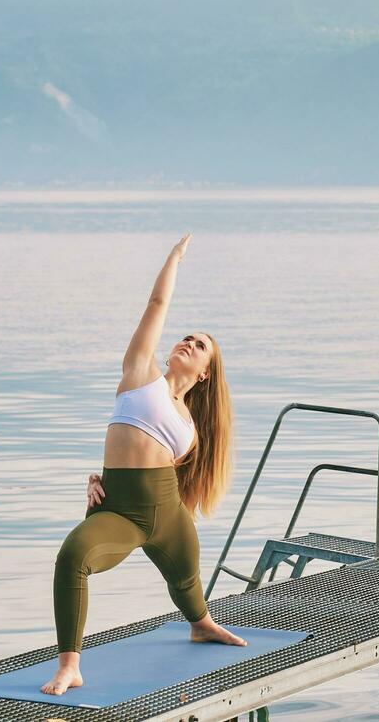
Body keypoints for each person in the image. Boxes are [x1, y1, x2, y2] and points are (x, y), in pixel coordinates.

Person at [42, 233, 246, 697]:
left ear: (206, 374)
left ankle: (202, 625)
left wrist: (108, 473)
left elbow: (155, 459)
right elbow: (156, 303)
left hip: (168, 514)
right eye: (187, 337)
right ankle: (70, 665)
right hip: (122, 513)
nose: (188, 343)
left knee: (187, 581)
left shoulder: (193, 427)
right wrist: (173, 258)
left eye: (199, 346)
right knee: (73, 557)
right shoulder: (140, 373)